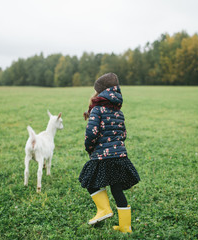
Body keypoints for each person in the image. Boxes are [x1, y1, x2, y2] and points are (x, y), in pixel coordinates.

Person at [79, 73, 140, 233]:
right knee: (117, 189)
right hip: (119, 156)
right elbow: (123, 134)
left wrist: (89, 148)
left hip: (102, 155)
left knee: (88, 179)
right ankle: (125, 227)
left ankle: (104, 209)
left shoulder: (97, 110)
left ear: (100, 93)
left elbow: (92, 134)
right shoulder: (119, 113)